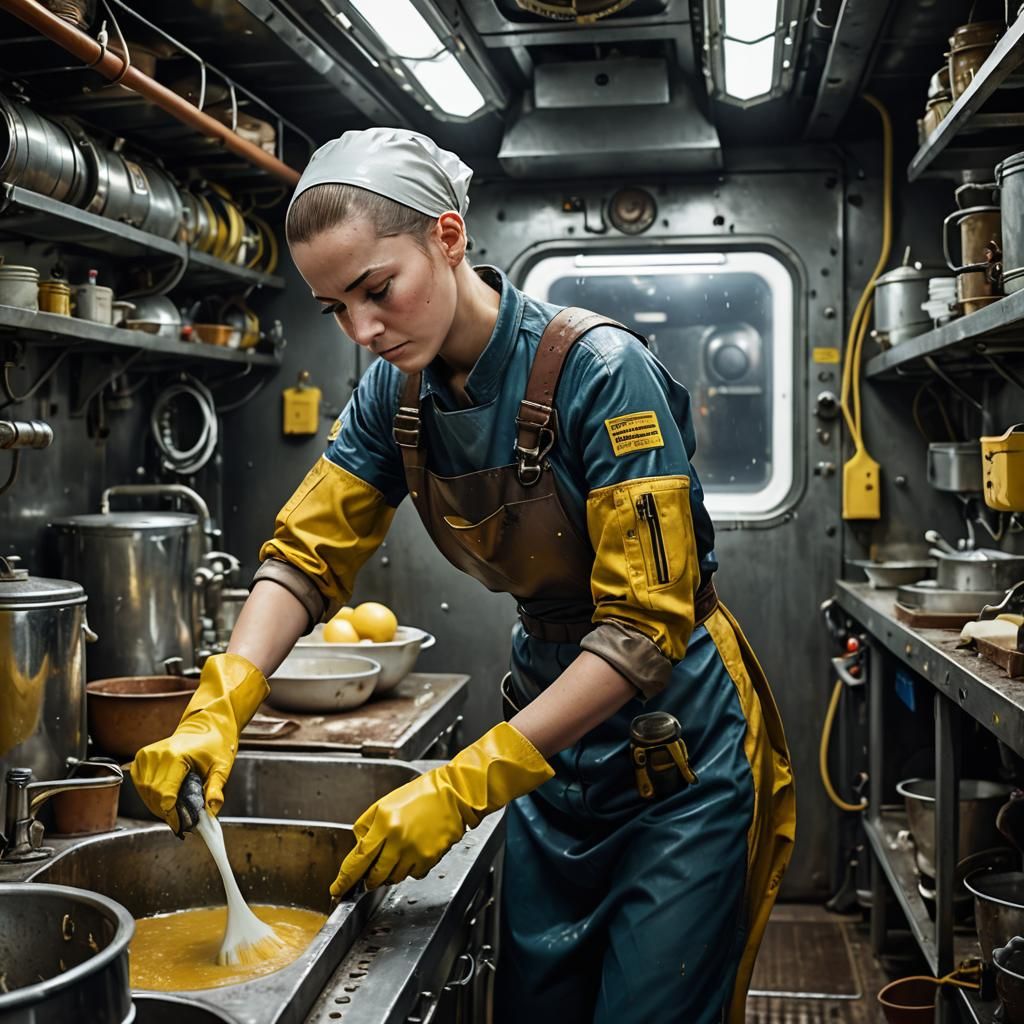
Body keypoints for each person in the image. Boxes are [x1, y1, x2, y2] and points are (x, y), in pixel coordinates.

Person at [131, 127, 795, 1024]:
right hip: (546, 746)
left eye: (377, 290)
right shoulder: (392, 395)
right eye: (335, 309)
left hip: (673, 752)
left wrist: (462, 782)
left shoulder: (602, 373)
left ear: (448, 239)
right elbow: (304, 557)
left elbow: (643, 630)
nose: (364, 331)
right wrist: (222, 705)